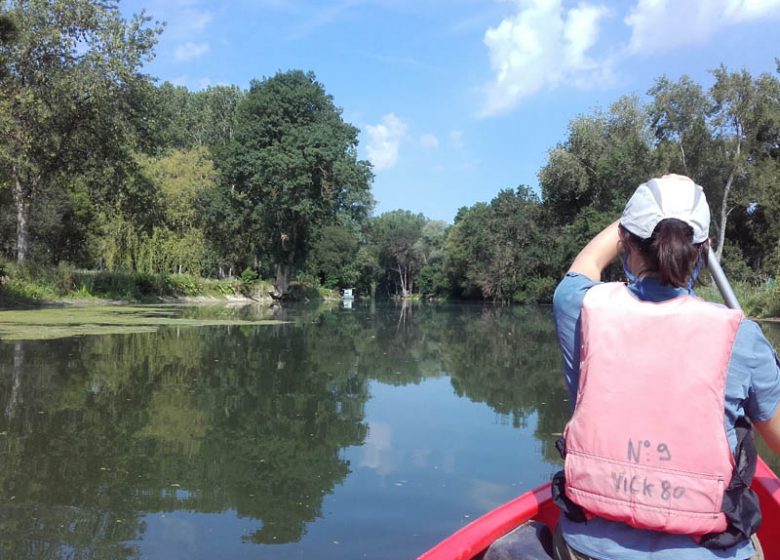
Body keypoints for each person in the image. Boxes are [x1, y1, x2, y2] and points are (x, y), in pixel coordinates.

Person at [551, 174, 780, 560]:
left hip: (586, 549)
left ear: (625, 241)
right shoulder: (742, 336)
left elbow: (588, 261)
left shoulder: (578, 307)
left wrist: (638, 217)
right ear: (703, 249)